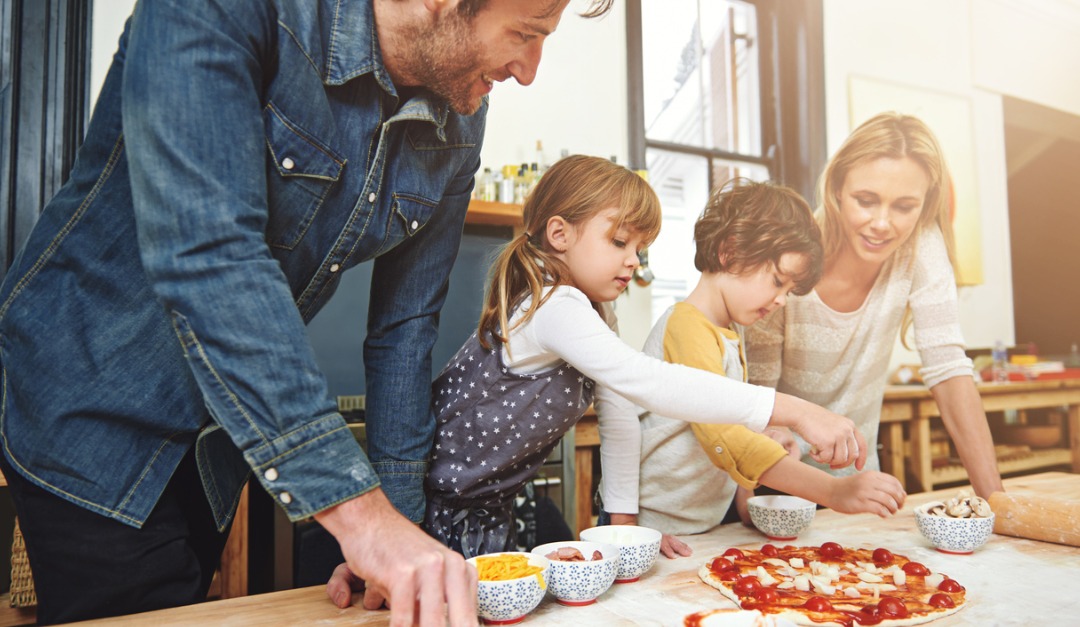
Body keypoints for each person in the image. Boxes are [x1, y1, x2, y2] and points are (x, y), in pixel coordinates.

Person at [0, 0, 611, 624]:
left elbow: (405, 329)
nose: (531, 70)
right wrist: (361, 516)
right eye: (527, 34)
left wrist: (396, 520)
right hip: (92, 403)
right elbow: (213, 256)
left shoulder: (460, 117)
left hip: (220, 432)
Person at [409, 155, 866, 558]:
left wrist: (625, 528)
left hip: (483, 511)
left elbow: (621, 414)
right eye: (619, 242)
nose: (633, 261)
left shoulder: (593, 314)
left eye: (639, 249)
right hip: (432, 509)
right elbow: (649, 381)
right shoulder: (554, 306)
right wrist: (797, 411)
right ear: (559, 234)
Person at [619, 180, 906, 559]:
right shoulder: (686, 327)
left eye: (789, 289)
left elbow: (734, 426)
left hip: (703, 526)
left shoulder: (731, 331)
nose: (782, 300)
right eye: (777, 281)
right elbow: (725, 438)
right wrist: (835, 492)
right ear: (729, 252)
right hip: (658, 527)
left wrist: (747, 500)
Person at [744, 112, 1004, 500]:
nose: (882, 223)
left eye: (903, 206)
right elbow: (755, 404)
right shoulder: (788, 263)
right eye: (866, 201)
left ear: (925, 204)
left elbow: (949, 372)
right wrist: (752, 500)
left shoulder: (921, 245)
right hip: (778, 487)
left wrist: (997, 503)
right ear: (836, 189)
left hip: (859, 487)